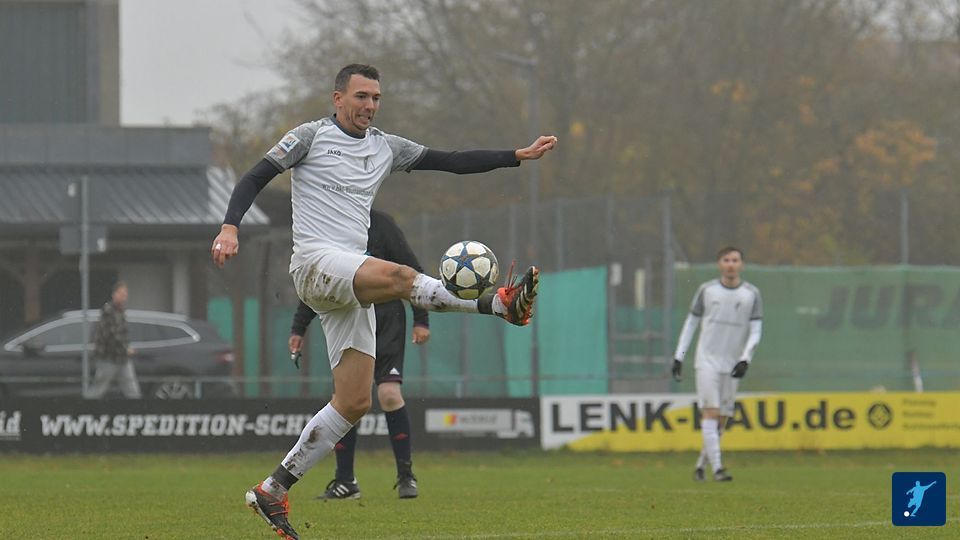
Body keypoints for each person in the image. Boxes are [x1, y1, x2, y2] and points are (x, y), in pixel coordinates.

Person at [211, 64, 556, 540]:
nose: (370, 105)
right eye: (361, 96)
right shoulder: (309, 137)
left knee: (354, 402)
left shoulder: (385, 147)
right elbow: (254, 176)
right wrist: (230, 226)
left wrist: (516, 155)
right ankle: (497, 306)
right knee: (399, 275)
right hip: (314, 264)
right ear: (337, 98)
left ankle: (273, 488)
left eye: (376, 97)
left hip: (348, 279)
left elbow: (451, 161)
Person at [289, 209, 430, 501]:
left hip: (387, 319)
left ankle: (406, 476)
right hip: (349, 316)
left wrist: (421, 319)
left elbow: (411, 271)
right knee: (346, 399)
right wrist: (298, 328)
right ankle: (345, 481)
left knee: (389, 394)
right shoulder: (330, 226)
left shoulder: (381, 223)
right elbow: (320, 280)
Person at [671, 246, 762, 482]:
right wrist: (679, 356)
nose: (731, 264)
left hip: (732, 364)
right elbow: (691, 324)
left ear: (741, 264)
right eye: (726, 260)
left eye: (735, 260)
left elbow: (756, 330)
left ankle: (701, 465)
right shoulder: (707, 290)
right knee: (710, 412)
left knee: (722, 419)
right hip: (707, 360)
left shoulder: (751, 294)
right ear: (719, 264)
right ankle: (718, 469)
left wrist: (745, 359)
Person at [84, 282, 141, 399]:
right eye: (121, 294)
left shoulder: (121, 311)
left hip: (122, 358)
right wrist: (125, 348)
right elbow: (111, 334)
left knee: (132, 389)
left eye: (125, 295)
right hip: (108, 357)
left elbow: (123, 333)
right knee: (98, 389)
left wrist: (125, 348)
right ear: (114, 294)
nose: (124, 297)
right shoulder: (108, 311)